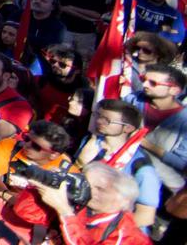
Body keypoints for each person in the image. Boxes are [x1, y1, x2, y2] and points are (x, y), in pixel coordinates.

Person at [74, 99, 161, 229]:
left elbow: (145, 216)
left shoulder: (141, 166)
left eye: (107, 120)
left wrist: (105, 232)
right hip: (79, 221)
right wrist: (80, 163)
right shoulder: (90, 143)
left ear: (128, 128)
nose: (99, 122)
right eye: (98, 116)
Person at [30, 162, 151, 245]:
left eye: (100, 188)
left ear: (123, 199)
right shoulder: (79, 204)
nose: (91, 191)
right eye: (86, 184)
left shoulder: (128, 235)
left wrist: (65, 212)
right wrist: (44, 183)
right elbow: (25, 213)